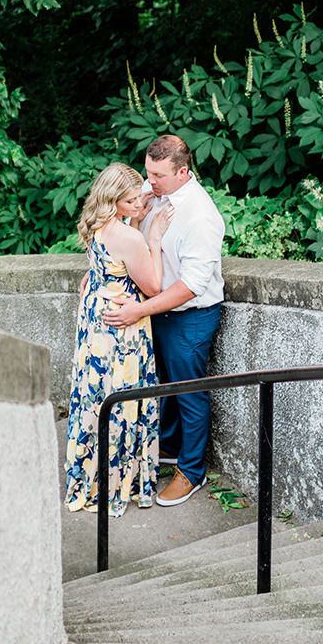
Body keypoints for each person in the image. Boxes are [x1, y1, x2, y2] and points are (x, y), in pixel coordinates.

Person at [102, 134, 226, 508]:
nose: (148, 181)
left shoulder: (202, 217)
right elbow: (121, 218)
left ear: (182, 171)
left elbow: (191, 286)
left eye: (157, 175)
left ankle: (191, 472)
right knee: (161, 384)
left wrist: (139, 310)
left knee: (189, 391)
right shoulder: (151, 188)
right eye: (147, 171)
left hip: (191, 317)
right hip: (155, 308)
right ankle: (169, 448)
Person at [63, 162, 173, 516]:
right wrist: (152, 240)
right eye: (130, 202)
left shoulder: (97, 224)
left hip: (96, 317)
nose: (138, 204)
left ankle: (88, 474)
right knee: (122, 399)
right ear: (112, 202)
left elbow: (108, 262)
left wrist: (137, 222)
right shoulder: (130, 237)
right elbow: (153, 286)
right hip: (121, 327)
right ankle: (118, 479)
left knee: (95, 393)